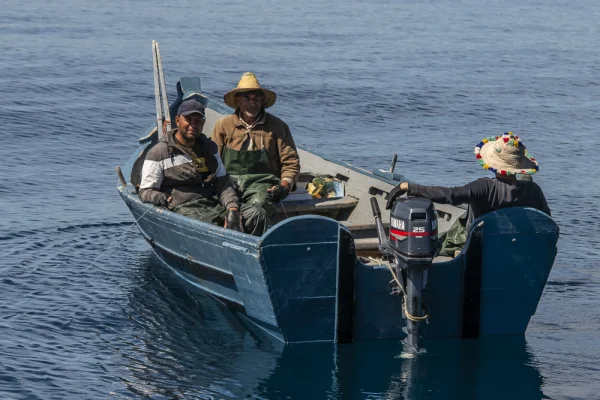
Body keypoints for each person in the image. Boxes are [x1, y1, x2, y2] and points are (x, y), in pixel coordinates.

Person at [385, 132, 551, 255]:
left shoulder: (485, 187)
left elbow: (449, 195)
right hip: (515, 250)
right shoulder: (533, 191)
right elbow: (546, 223)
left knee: (437, 244)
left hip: (480, 249)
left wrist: (410, 187)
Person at [211, 72, 300, 235]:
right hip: (228, 182)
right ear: (238, 100)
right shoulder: (223, 126)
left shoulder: (278, 127)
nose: (252, 104)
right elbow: (213, 162)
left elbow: (291, 163)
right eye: (247, 98)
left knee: (258, 209)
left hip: (262, 184)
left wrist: (284, 187)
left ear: (262, 101)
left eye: (256, 99)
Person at [139, 99, 245, 231]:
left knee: (255, 214)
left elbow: (222, 183)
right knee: (209, 223)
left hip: (212, 202)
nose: (193, 125)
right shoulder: (158, 153)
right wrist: (160, 197)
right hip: (183, 207)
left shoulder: (209, 148)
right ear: (177, 121)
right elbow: (145, 191)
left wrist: (232, 209)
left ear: (203, 123)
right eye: (189, 119)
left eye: (198, 121)